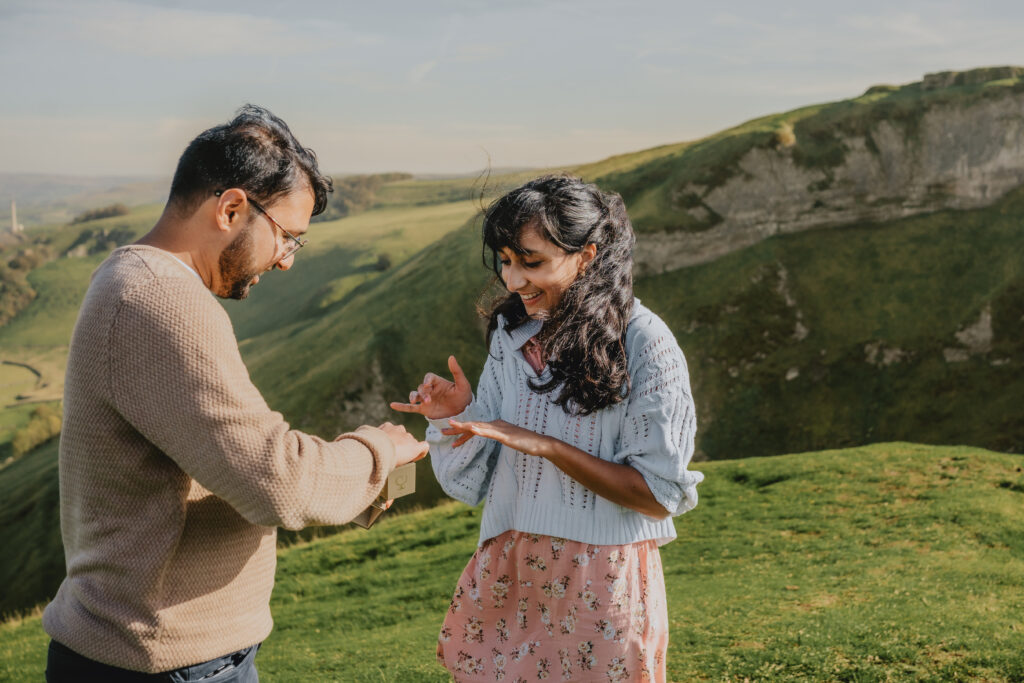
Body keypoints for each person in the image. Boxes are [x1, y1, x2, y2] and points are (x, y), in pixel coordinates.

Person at [42, 105, 427, 682]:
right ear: (230, 208)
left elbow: (229, 466)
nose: (288, 261)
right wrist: (380, 451)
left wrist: (352, 486)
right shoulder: (157, 301)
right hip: (162, 662)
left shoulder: (136, 283)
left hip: (164, 655)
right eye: (288, 237)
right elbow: (279, 481)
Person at [391, 175, 704, 682]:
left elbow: (656, 495)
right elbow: (471, 480)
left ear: (587, 255)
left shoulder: (646, 342)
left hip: (599, 574)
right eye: (506, 262)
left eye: (531, 262)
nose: (513, 282)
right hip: (509, 564)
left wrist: (548, 447)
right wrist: (454, 414)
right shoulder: (512, 336)